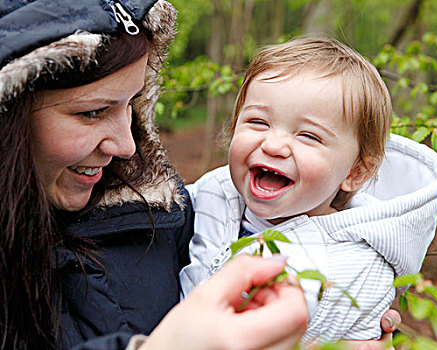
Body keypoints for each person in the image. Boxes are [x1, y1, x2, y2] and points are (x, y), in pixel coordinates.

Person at [0, 1, 398, 349]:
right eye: (91, 112)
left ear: (357, 171)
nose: (128, 146)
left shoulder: (162, 214)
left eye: (132, 104)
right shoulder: (213, 205)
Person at [180, 37, 437, 346]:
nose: (273, 145)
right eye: (258, 121)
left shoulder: (349, 267)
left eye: (308, 136)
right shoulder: (216, 193)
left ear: (355, 172)